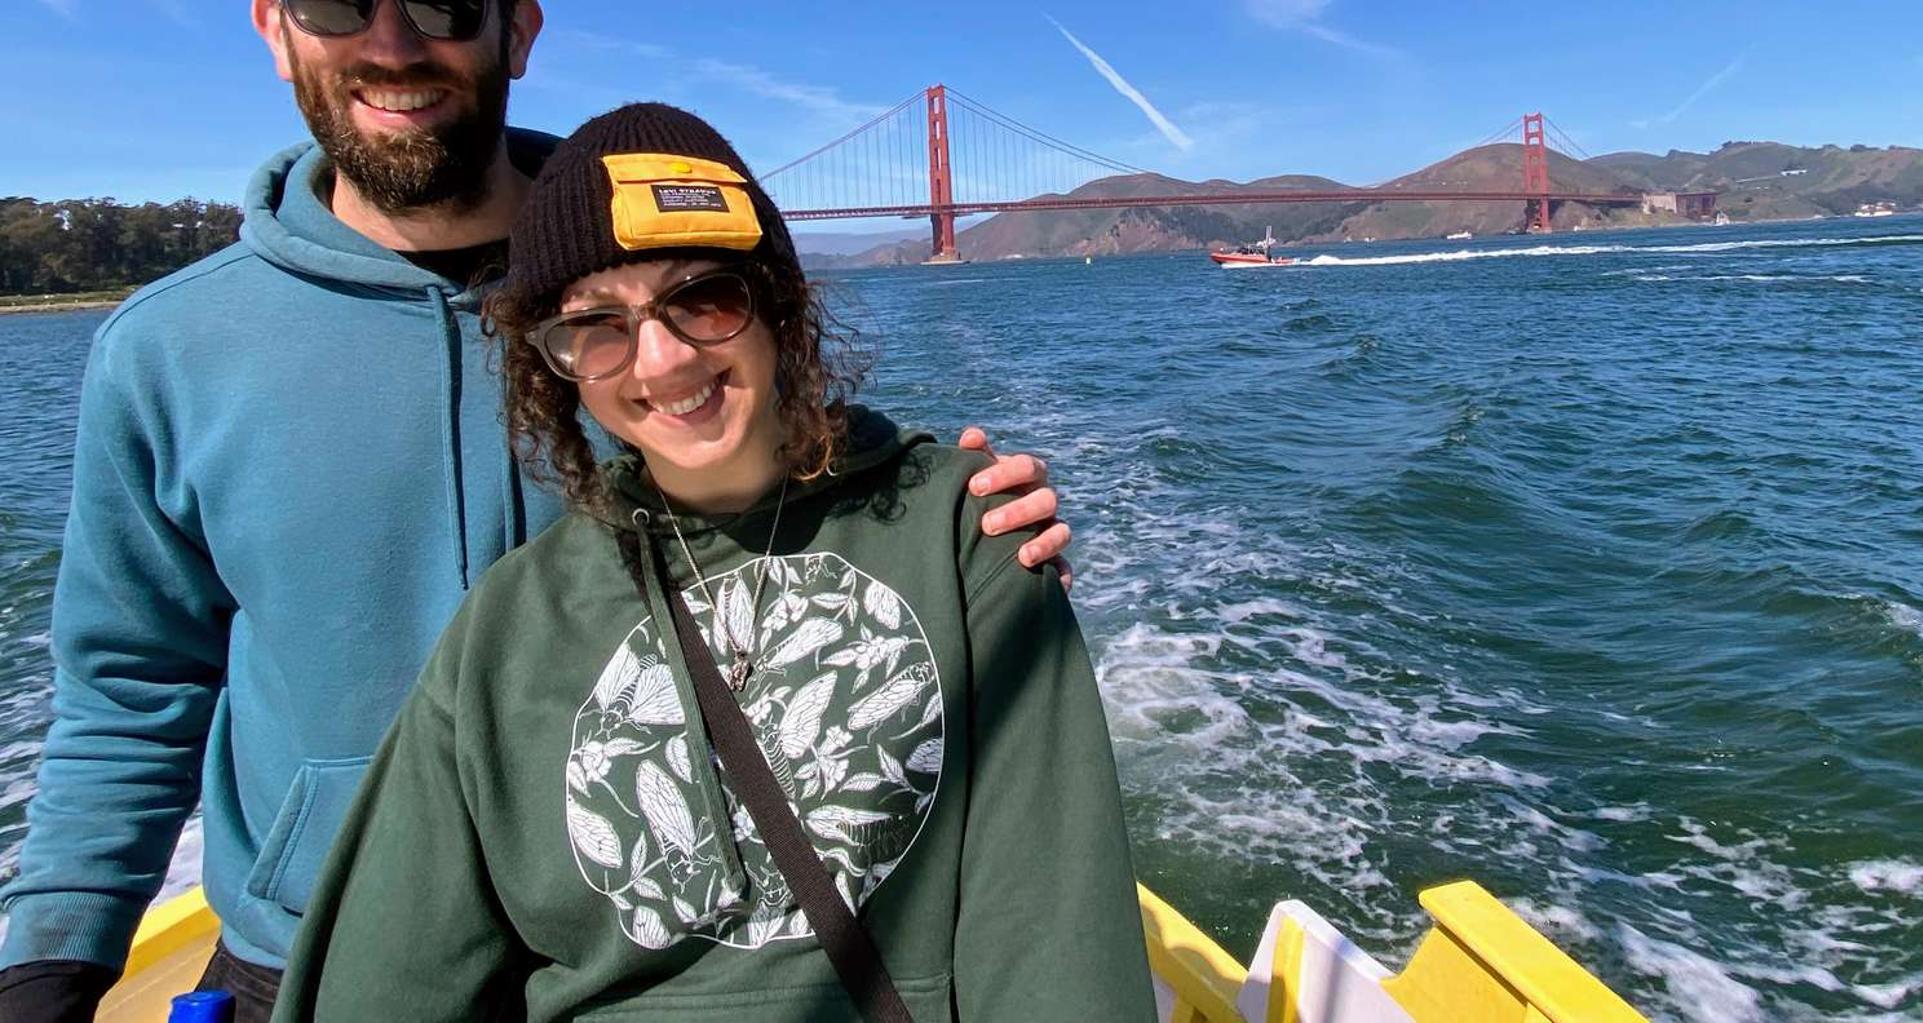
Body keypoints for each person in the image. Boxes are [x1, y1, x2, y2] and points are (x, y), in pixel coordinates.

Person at [0, 3, 1071, 1020]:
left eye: (442, 4)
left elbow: (800, 494)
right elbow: (130, 684)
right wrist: (53, 957)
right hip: (316, 954)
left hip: (669, 963)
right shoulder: (164, 353)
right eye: (334, 5)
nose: (390, 44)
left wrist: (955, 538)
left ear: (518, 27)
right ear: (273, 32)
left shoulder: (666, 286)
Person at [272, 103, 1152, 1021]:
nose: (660, 360)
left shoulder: (964, 533)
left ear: (776, 304)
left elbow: (1051, 941)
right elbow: (387, 982)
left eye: (702, 297)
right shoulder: (504, 627)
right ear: (554, 361)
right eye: (596, 323)